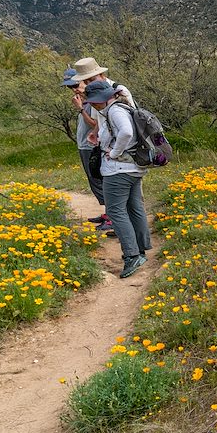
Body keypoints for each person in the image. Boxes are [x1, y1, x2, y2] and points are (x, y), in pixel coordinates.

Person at [83, 79, 152, 279]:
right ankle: (140, 249)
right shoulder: (124, 106)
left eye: (94, 102)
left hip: (119, 170)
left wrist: (113, 153)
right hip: (133, 168)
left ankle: (132, 255)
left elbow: (126, 132)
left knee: (115, 211)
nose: (94, 105)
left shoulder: (114, 111)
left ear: (102, 99)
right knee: (134, 207)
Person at [62, 67, 111, 233]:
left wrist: (81, 109)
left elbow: (95, 124)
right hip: (84, 145)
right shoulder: (86, 98)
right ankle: (107, 214)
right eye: (70, 87)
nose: (74, 89)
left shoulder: (94, 100)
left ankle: (110, 216)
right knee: (94, 180)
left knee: (98, 179)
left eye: (76, 84)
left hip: (91, 146)